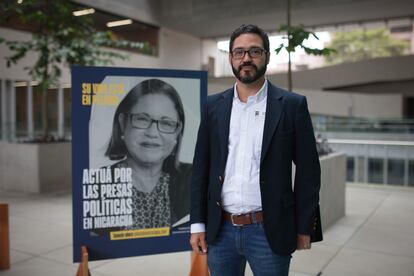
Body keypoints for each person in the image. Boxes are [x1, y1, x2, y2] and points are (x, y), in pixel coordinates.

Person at [190, 24, 321, 275]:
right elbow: (200, 169)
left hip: (269, 231)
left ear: (267, 57)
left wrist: (305, 227)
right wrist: (197, 224)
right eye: (239, 52)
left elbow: (309, 171)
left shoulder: (292, 106)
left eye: (254, 51)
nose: (246, 58)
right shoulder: (213, 106)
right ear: (230, 58)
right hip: (220, 231)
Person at [105, 79, 191, 229]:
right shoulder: (99, 185)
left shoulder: (194, 178)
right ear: (123, 123)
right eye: (142, 119)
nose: (152, 133)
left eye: (166, 123)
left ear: (177, 133)